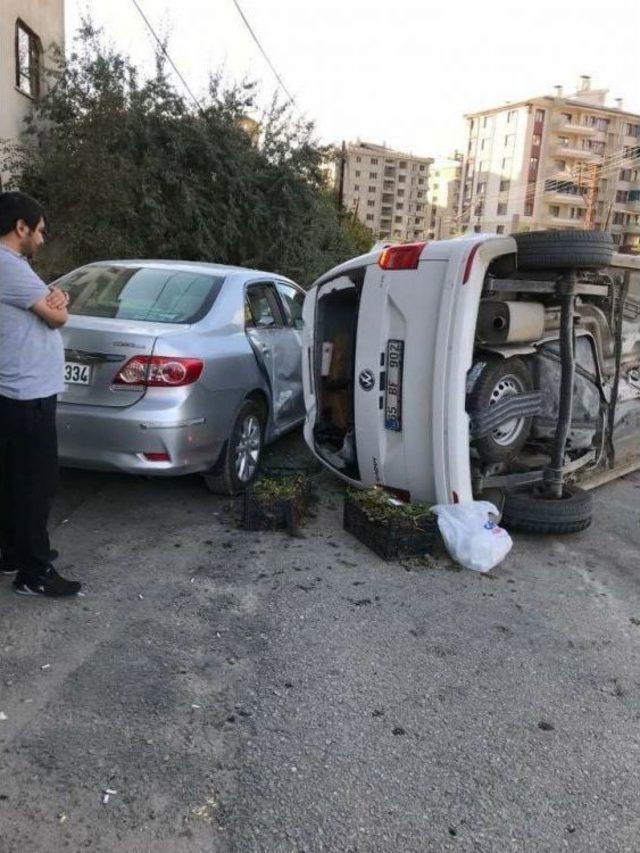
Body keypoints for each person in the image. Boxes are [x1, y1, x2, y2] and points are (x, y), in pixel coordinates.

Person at [0, 191, 81, 596]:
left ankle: (13, 552)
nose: (43, 239)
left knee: (16, 481)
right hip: (24, 393)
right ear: (21, 228)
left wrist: (58, 298)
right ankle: (34, 571)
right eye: (41, 231)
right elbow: (56, 317)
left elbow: (53, 300)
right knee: (37, 483)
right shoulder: (7, 265)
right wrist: (58, 306)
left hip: (21, 391)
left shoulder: (15, 266)